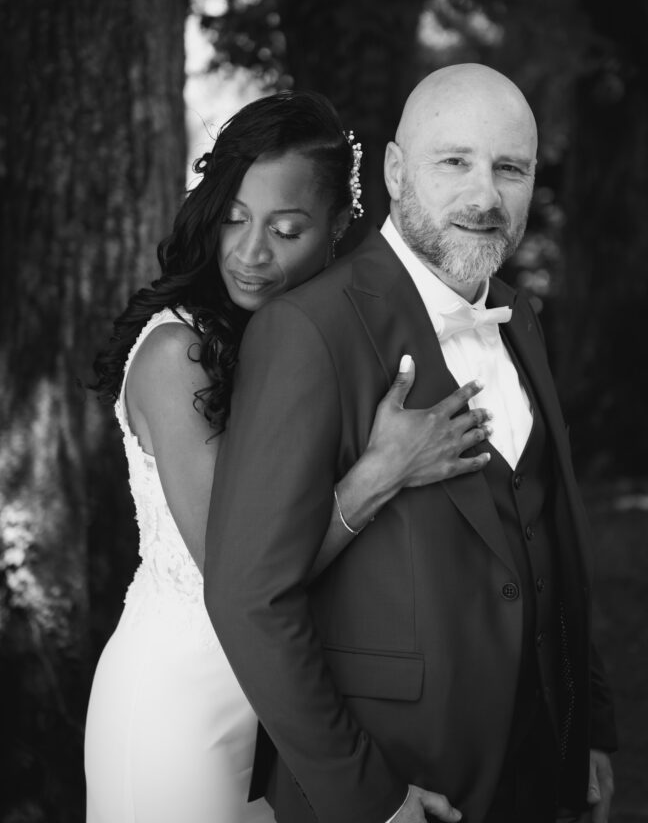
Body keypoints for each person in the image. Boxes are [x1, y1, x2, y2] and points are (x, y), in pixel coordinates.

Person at [204, 64, 618, 823]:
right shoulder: (307, 329)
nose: (485, 197)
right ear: (396, 171)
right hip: (395, 777)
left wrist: (586, 726)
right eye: (454, 161)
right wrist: (366, 798)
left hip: (539, 770)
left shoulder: (520, 317)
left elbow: (553, 536)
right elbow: (248, 598)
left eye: (510, 169)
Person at [83, 91, 491, 823]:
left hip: (284, 714)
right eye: (234, 218)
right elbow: (239, 571)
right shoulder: (176, 354)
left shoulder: (303, 340)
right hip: (177, 714)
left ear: (336, 228)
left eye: (286, 229)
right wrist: (381, 472)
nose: (251, 253)